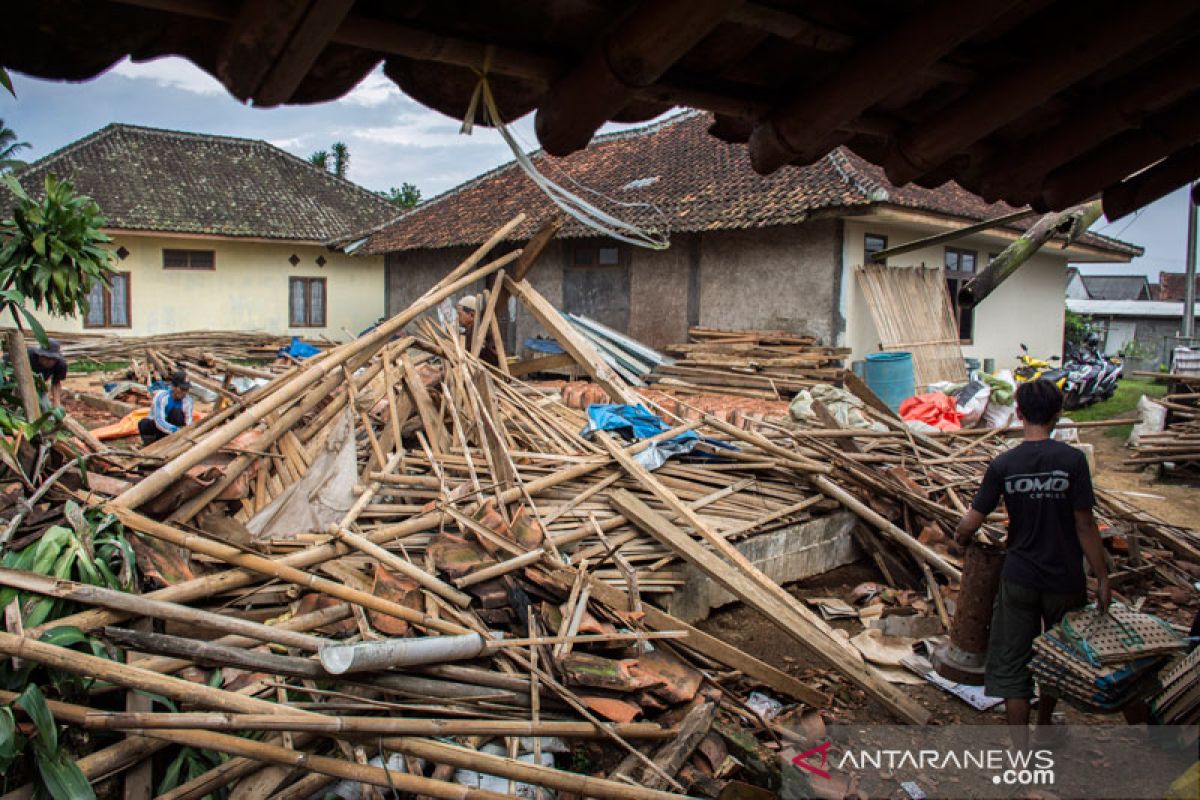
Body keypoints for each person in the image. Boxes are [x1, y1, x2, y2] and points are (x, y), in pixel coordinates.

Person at [954, 378, 1110, 748]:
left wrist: (960, 538)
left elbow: (970, 522)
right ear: (1058, 414)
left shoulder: (1005, 464)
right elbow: (1085, 524)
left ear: (1019, 413)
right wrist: (1102, 576)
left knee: (1012, 662)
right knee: (1057, 656)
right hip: (1065, 579)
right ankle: (1045, 723)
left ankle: (1021, 751)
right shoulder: (1072, 461)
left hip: (1020, 577)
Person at [138, 371, 194, 445]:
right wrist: (176, 430)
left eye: (186, 390)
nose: (184, 392)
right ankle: (150, 444)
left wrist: (185, 432)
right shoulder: (161, 397)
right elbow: (159, 421)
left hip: (176, 430)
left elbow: (188, 422)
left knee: (176, 412)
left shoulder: (188, 401)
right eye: (182, 389)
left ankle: (175, 442)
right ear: (173, 386)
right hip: (160, 429)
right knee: (144, 423)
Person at [457, 295, 499, 367]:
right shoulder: (467, 332)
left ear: (471, 315)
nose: (457, 317)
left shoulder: (483, 332)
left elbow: (495, 359)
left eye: (460, 314)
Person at [25, 339, 68, 409]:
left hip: (38, 386)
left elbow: (56, 383)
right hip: (19, 383)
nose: (50, 361)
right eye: (47, 357)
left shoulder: (60, 364)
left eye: (53, 358)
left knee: (45, 409)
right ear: (40, 354)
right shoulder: (28, 354)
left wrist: (56, 402)